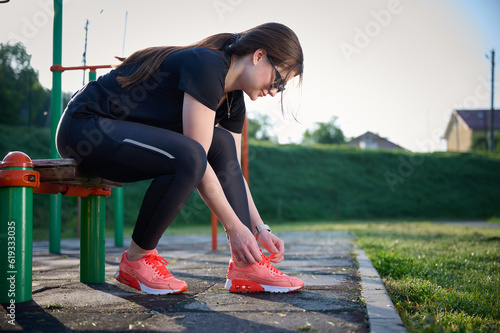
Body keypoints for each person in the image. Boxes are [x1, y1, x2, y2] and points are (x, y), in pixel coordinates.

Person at [56, 22, 304, 294]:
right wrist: (234, 228)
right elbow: (194, 158)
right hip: (85, 130)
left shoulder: (234, 101)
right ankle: (137, 259)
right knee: (191, 154)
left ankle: (247, 264)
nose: (274, 90)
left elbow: (231, 170)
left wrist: (258, 229)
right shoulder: (208, 65)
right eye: (278, 81)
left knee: (219, 144)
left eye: (280, 89)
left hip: (122, 142)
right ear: (259, 56)